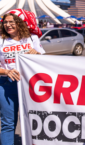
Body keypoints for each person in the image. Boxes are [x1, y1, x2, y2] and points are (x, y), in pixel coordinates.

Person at [0, 11, 45, 144]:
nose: (8, 25)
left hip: (30, 84)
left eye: (11, 22)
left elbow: (46, 62)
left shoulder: (32, 39)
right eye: (5, 22)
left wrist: (36, 54)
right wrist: (6, 72)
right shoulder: (1, 41)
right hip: (6, 84)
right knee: (8, 123)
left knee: (34, 121)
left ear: (20, 23)